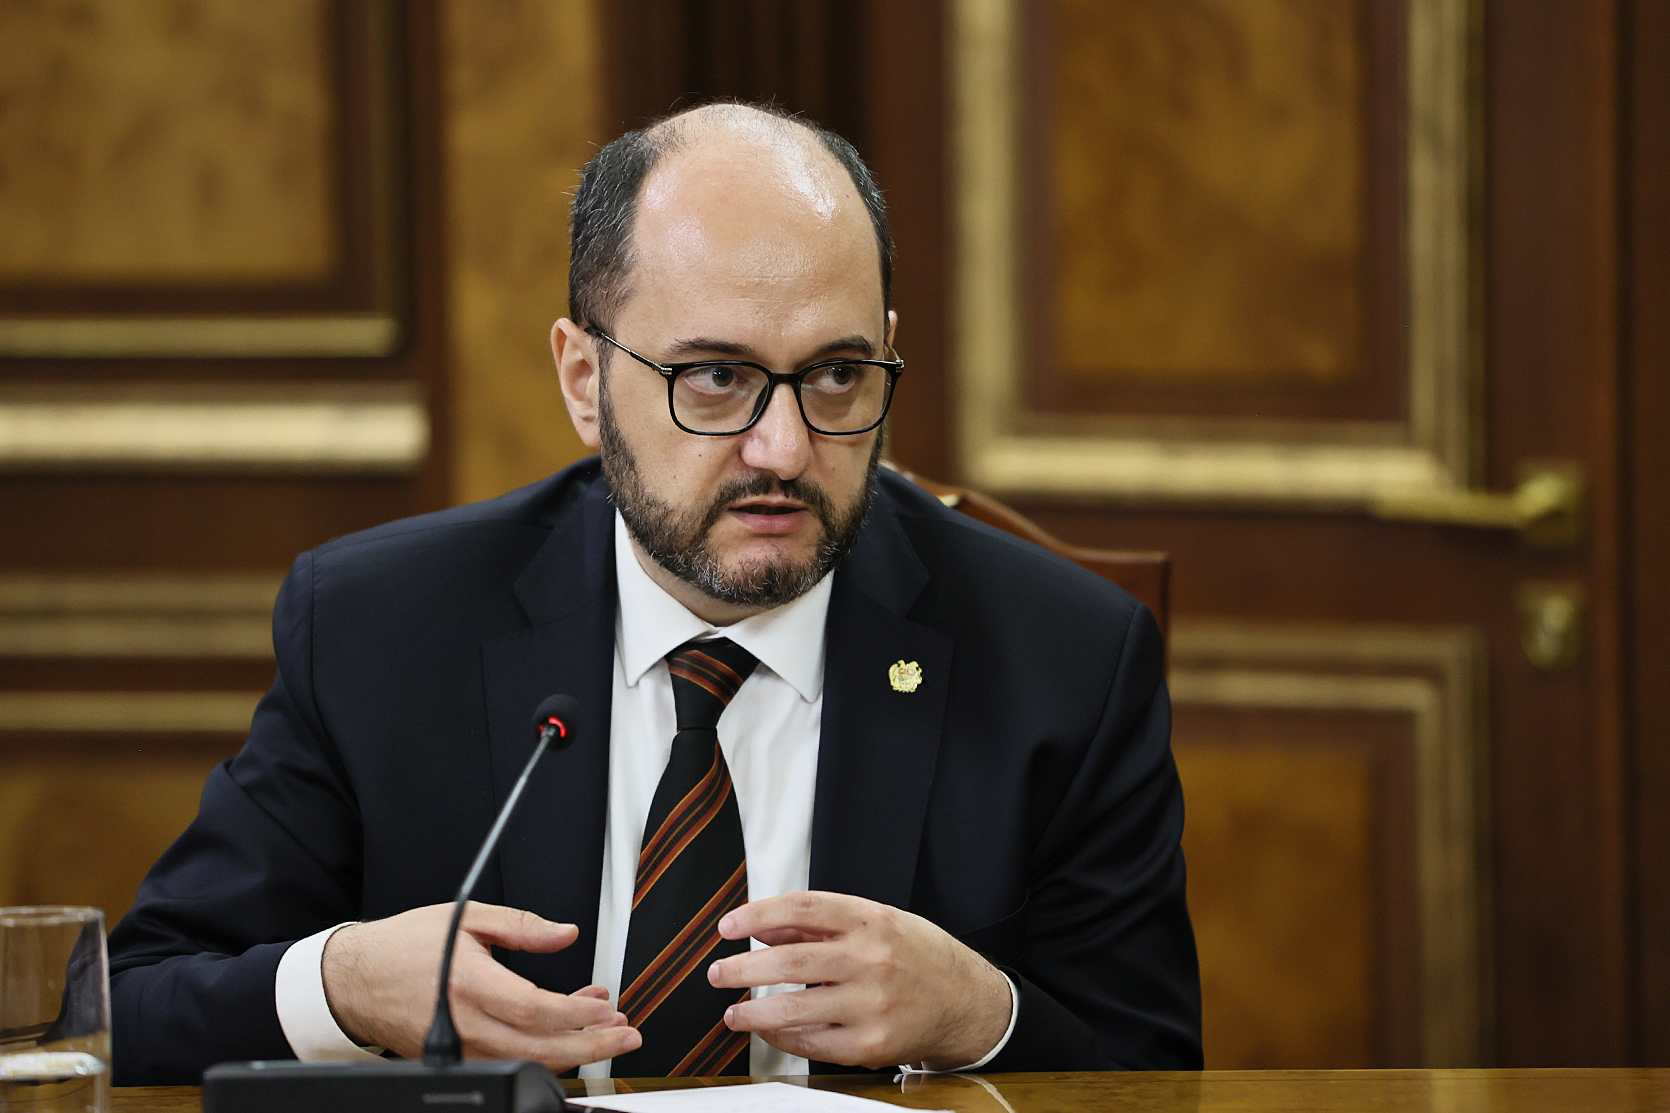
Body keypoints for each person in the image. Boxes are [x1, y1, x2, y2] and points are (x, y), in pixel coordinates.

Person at [108, 103, 1201, 1084]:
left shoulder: (1067, 660)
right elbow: (133, 1003)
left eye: (836, 375)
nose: (783, 448)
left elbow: (1158, 1072)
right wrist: (342, 983)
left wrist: (981, 1014)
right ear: (585, 380)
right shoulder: (380, 626)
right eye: (715, 378)